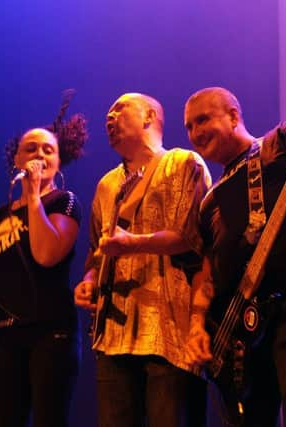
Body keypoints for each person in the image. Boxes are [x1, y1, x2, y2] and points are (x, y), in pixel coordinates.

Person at [183, 87, 286, 426]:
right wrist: (197, 326)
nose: (195, 132)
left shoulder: (281, 141)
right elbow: (207, 272)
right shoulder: (210, 200)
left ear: (233, 116)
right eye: (188, 126)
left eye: (203, 119)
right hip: (243, 324)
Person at [74, 93, 211, 427]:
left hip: (171, 332)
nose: (110, 117)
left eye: (119, 109)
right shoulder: (107, 184)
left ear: (150, 115)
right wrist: (88, 282)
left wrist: (133, 244)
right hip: (114, 337)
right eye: (108, 112)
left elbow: (191, 237)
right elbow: (96, 253)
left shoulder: (183, 163)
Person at [0, 93, 88, 427]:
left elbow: (46, 256)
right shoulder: (0, 214)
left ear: (59, 162)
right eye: (31, 148)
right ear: (16, 158)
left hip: (51, 332)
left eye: (49, 150)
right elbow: (5, 267)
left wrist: (33, 196)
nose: (39, 154)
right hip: (5, 333)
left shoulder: (65, 202)